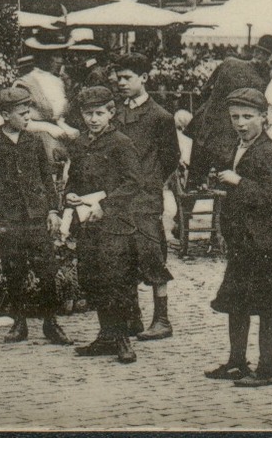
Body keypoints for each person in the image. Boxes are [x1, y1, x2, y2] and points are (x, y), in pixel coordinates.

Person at [207, 87, 272, 387]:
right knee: (237, 302)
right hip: (243, 242)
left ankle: (268, 368)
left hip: (266, 242)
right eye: (234, 117)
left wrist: (238, 181)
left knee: (268, 305)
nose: (240, 124)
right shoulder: (239, 146)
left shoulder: (271, 153)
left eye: (247, 117)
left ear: (264, 116)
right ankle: (236, 362)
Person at [0, 86, 70, 345]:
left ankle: (51, 323)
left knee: (47, 270)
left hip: (37, 216)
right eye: (22, 114)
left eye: (29, 113)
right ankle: (19, 323)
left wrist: (52, 210)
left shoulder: (34, 141)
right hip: (11, 219)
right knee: (14, 268)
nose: (28, 118)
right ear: (5, 115)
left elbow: (46, 178)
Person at [63, 86, 142, 364]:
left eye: (99, 113)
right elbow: (74, 178)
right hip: (88, 223)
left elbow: (133, 182)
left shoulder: (121, 142)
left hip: (115, 224)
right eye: (88, 114)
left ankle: (122, 340)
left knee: (115, 279)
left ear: (111, 112)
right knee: (92, 277)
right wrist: (69, 194)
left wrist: (105, 206)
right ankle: (106, 335)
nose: (93, 119)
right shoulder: (81, 143)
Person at [109, 52, 181, 342]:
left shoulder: (160, 117)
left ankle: (162, 319)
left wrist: (150, 181)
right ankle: (132, 316)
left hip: (146, 198)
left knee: (152, 255)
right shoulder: (117, 113)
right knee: (124, 256)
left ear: (144, 79)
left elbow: (171, 157)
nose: (121, 83)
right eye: (118, 78)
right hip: (120, 197)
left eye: (127, 78)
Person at [179, 37, 272, 190]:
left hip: (204, 127)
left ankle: (186, 213)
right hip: (229, 135)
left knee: (195, 181)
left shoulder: (229, 62)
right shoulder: (262, 82)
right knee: (226, 184)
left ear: (255, 51)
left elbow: (205, 91)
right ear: (270, 60)